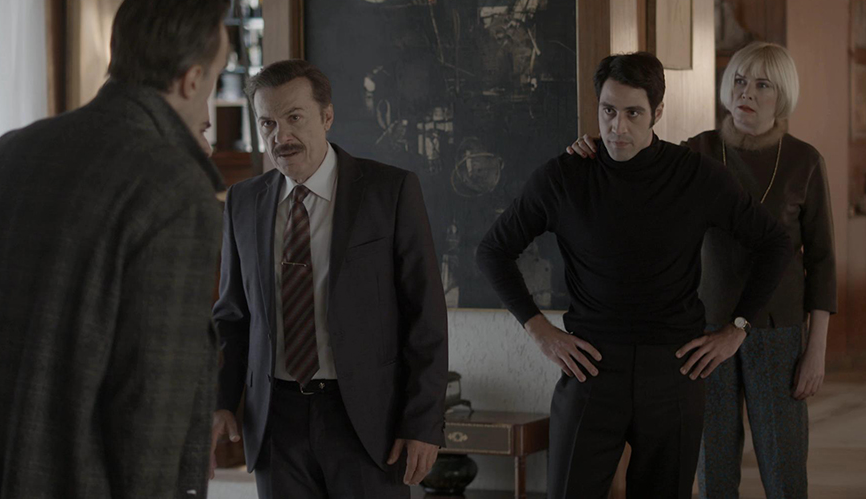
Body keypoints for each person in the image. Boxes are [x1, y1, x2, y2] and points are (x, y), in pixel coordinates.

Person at [476, 52, 793, 499]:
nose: (617, 127)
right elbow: (492, 251)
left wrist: (737, 329)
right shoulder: (565, 176)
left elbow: (775, 243)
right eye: (608, 111)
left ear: (657, 113)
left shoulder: (696, 176)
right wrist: (541, 331)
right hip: (589, 371)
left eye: (633, 113)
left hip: (675, 372)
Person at [569, 41, 836, 499]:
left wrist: (817, 350)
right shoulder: (697, 150)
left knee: (784, 466)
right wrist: (594, 147)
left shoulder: (805, 160)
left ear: (783, 95)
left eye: (762, 85)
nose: (746, 92)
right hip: (703, 329)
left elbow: (823, 261)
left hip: (777, 329)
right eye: (739, 80)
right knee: (712, 468)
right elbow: (637, 161)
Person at [0, 0, 229, 499]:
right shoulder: (174, 188)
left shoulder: (12, 151)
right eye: (216, 76)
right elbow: (151, 406)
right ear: (193, 79)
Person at [210, 59, 448, 499]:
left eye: (294, 118)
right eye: (267, 123)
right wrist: (222, 401)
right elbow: (233, 316)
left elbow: (425, 316)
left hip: (367, 422)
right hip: (276, 422)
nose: (280, 136)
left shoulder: (389, 191)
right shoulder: (243, 201)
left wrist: (423, 422)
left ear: (327, 117)